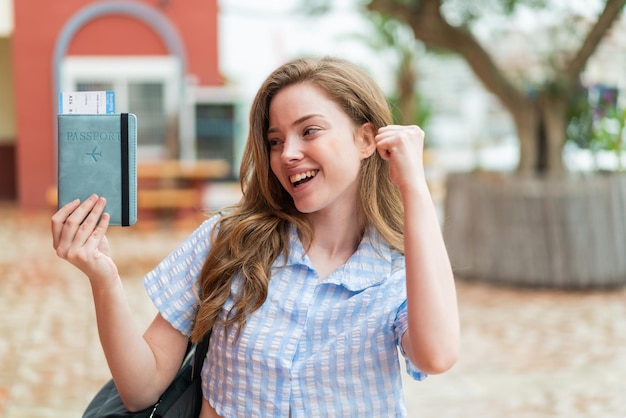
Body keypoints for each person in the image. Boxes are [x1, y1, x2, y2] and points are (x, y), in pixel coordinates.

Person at [52, 56, 459, 417]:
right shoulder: (227, 240)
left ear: (366, 139)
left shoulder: (401, 264)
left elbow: (436, 355)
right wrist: (102, 276)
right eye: (275, 140)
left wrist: (414, 187)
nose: (288, 154)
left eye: (309, 131)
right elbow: (141, 390)